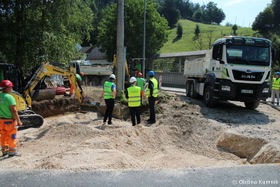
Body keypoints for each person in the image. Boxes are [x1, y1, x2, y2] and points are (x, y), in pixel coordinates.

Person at [0, 80, 23, 157]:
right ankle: (12, 151)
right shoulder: (10, 97)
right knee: (12, 136)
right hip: (9, 121)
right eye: (10, 87)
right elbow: (14, 111)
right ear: (7, 88)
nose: (11, 89)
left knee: (3, 135)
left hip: (1, 120)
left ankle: (4, 150)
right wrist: (19, 121)